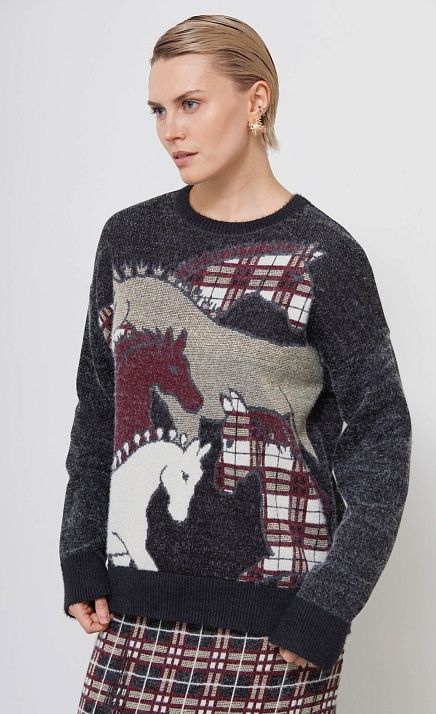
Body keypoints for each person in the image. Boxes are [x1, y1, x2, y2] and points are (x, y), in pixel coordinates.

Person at [59, 14, 412, 713]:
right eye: (158, 109)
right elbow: (99, 405)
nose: (171, 130)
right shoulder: (128, 239)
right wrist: (80, 551)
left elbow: (381, 439)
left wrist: (331, 603)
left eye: (190, 103)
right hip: (135, 605)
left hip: (279, 625)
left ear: (257, 101)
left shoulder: (326, 256)